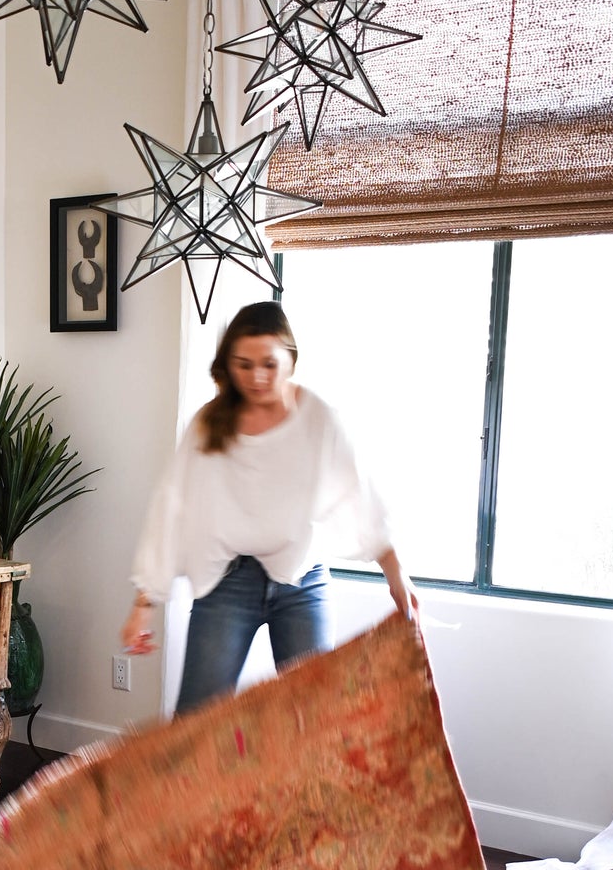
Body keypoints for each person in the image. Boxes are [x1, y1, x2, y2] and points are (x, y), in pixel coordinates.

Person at [121, 299, 416, 714]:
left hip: (303, 582)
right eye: (243, 365)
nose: (257, 377)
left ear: (290, 359)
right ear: (228, 364)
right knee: (196, 721)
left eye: (269, 364)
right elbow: (172, 509)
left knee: (315, 719)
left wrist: (395, 573)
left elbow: (359, 495)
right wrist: (143, 605)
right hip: (228, 584)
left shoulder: (319, 418)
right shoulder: (209, 424)